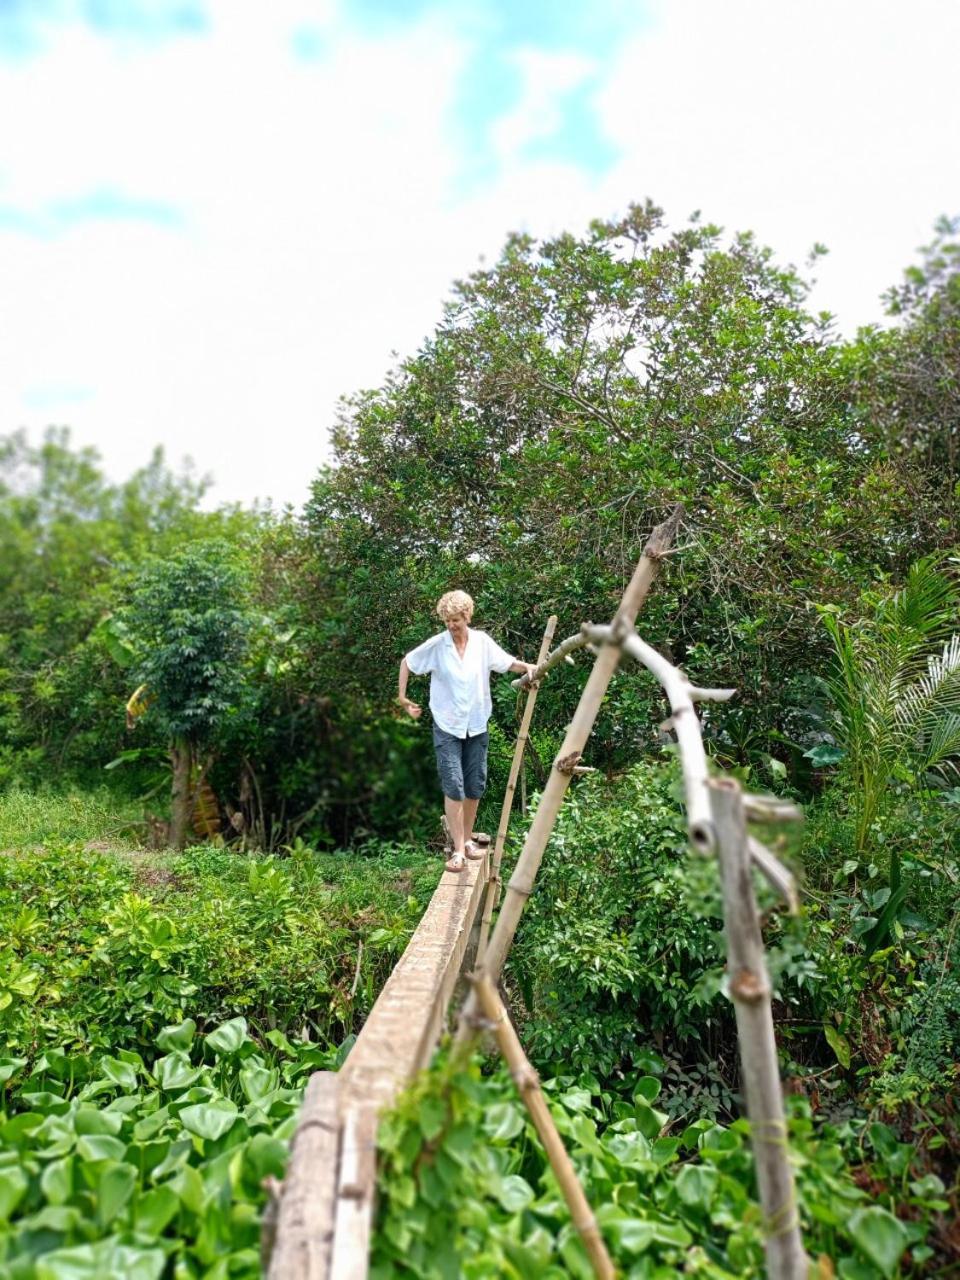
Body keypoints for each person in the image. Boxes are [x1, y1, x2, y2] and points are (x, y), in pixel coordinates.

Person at [398, 590, 537, 872]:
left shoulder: (482, 643)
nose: (451, 625)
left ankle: (468, 841)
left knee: (474, 786)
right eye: (447, 620)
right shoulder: (437, 645)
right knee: (454, 786)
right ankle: (458, 851)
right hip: (447, 725)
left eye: (456, 620)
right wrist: (403, 698)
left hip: (476, 724)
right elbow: (407, 663)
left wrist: (530, 667)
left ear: (467, 616)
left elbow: (506, 662)